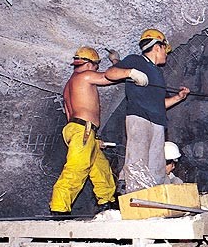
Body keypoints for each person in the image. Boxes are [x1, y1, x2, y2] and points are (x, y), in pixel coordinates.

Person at [49, 46, 143, 215]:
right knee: (77, 168)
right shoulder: (84, 76)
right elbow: (108, 77)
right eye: (96, 65)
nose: (96, 68)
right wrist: (130, 72)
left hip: (82, 130)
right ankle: (59, 208)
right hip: (83, 130)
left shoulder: (70, 83)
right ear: (89, 64)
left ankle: (107, 201)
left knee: (100, 168)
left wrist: (93, 136)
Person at [104, 28, 190, 193]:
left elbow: (160, 104)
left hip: (158, 122)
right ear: (157, 47)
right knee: (138, 159)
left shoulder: (158, 74)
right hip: (139, 117)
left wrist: (178, 98)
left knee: (157, 165)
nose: (166, 54)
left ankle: (154, 195)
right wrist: (131, 73)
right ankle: (131, 192)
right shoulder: (136, 60)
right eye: (165, 49)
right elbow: (110, 73)